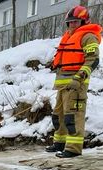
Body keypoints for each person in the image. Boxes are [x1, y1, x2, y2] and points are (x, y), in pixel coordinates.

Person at [45, 5, 101, 158]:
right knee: (58, 115)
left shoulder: (88, 36)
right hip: (63, 84)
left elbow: (93, 60)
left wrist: (79, 78)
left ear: (84, 22)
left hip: (77, 85)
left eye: (75, 22)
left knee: (73, 116)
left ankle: (73, 148)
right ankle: (60, 143)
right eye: (70, 22)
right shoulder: (68, 36)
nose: (72, 25)